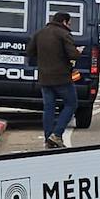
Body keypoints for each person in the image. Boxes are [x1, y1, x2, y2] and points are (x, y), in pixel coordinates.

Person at [27, 11, 80, 149]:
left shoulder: (39, 33)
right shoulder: (64, 34)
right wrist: (78, 51)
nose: (70, 26)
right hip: (62, 78)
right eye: (69, 23)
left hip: (44, 77)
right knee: (71, 104)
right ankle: (56, 134)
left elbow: (30, 52)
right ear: (64, 21)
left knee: (48, 108)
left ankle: (48, 139)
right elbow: (72, 54)